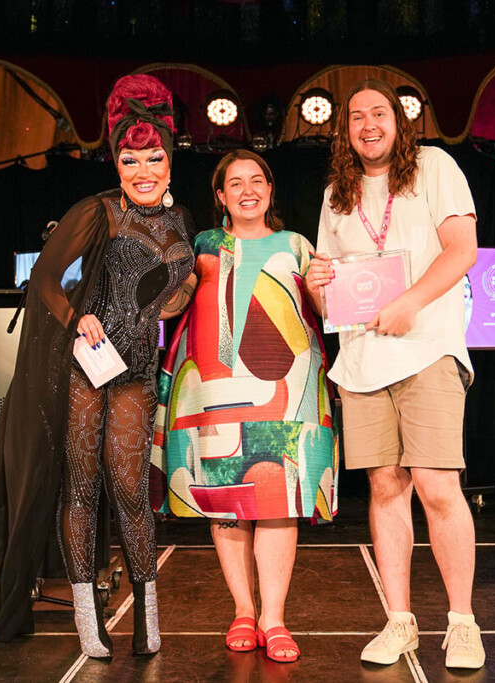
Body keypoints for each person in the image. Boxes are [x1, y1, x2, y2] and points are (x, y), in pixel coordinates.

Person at [0, 74, 196, 658]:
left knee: (132, 489)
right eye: (130, 159)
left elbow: (181, 278)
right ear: (116, 163)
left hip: (136, 367)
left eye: (153, 158)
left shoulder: (182, 218)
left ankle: (146, 619)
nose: (143, 170)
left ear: (169, 159)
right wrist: (75, 318)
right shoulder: (98, 211)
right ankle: (91, 623)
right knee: (82, 489)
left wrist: (179, 293)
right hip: (86, 367)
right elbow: (44, 278)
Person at [305, 78, 485, 670]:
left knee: (437, 486)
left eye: (377, 112)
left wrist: (409, 302)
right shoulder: (337, 193)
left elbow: (462, 250)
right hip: (362, 362)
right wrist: (317, 284)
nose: (367, 124)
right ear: (345, 130)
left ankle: (461, 622)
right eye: (355, 116)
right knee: (385, 490)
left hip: (428, 348)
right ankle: (400, 621)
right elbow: (329, 288)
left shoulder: (435, 166)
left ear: (399, 121)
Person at [151, 150, 337, 663]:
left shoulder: (298, 245)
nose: (248, 189)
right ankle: (243, 611)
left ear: (271, 190)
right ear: (221, 196)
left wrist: (323, 289)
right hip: (214, 390)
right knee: (228, 503)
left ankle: (274, 618)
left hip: (289, 390)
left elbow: (325, 313)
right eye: (236, 183)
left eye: (258, 180)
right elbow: (175, 300)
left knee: (278, 501)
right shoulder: (203, 245)